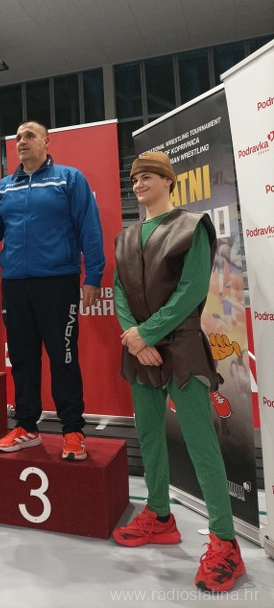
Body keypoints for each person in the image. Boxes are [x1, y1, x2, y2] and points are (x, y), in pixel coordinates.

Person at [112, 151, 245, 593]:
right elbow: (119, 292)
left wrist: (146, 334)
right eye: (134, 178)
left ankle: (225, 542)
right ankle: (159, 516)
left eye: (147, 176)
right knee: (150, 435)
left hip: (183, 349)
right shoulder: (126, 238)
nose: (138, 183)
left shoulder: (192, 226)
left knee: (201, 442)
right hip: (141, 351)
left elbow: (191, 291)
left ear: (168, 181)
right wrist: (136, 339)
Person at [0, 121, 104, 461]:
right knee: (23, 359)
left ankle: (73, 430)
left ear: (46, 142)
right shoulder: (5, 186)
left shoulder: (69, 179)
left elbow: (89, 227)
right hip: (15, 284)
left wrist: (94, 276)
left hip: (58, 281)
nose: (22, 141)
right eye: (18, 137)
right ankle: (27, 426)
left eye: (29, 136)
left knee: (63, 358)